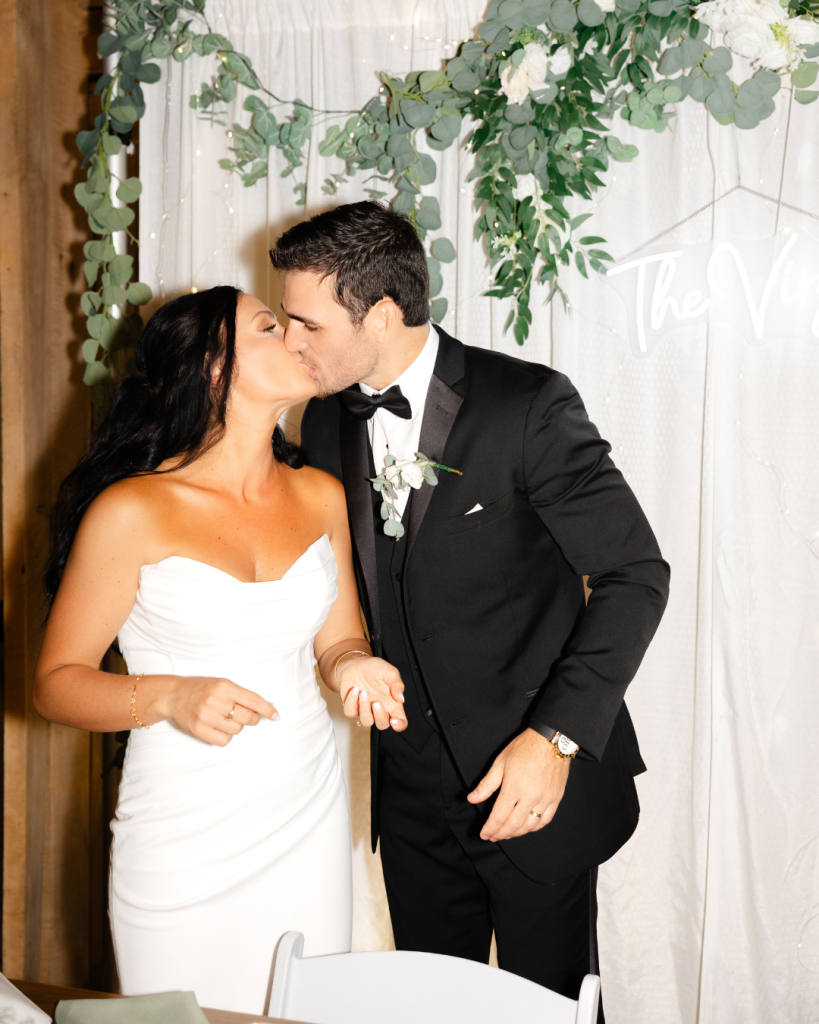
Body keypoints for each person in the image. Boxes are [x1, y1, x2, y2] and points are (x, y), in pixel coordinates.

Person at [270, 202, 670, 1018]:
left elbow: (634, 572)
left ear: (379, 314)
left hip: (532, 784)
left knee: (547, 1008)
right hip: (407, 793)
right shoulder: (321, 421)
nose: (291, 341)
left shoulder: (528, 404)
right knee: (429, 1008)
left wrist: (554, 740)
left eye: (304, 322)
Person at [34, 286, 407, 1015]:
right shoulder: (131, 509)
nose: (297, 337)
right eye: (270, 326)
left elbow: (338, 639)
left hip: (304, 815)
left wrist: (353, 664)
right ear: (212, 368)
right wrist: (171, 695)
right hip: (181, 829)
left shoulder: (320, 494)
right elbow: (55, 684)